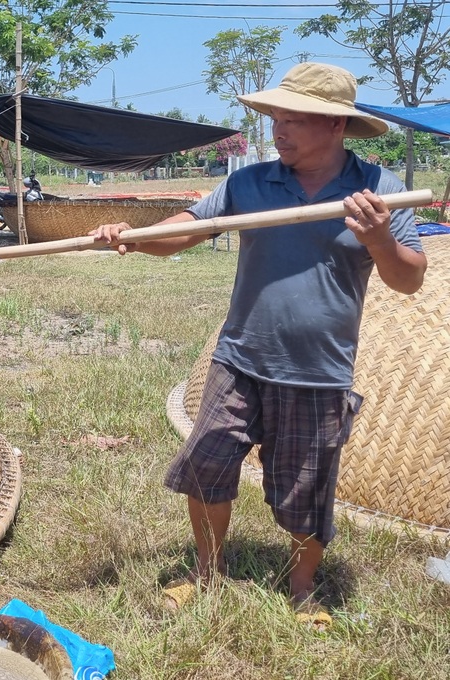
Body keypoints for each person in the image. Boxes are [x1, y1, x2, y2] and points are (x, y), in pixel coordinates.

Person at [90, 62, 427, 628]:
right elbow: (188, 230)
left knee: (306, 488)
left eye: (295, 120)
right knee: (206, 465)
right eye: (276, 118)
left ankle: (301, 587)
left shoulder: (381, 191)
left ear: (338, 127)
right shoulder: (249, 184)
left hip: (319, 370)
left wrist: (378, 238)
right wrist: (134, 237)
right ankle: (206, 571)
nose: (280, 131)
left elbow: (409, 277)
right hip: (240, 356)